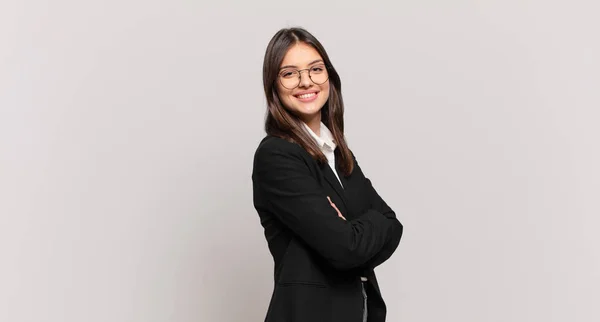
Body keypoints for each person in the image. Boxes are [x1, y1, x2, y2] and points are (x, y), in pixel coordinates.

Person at [252, 27, 403, 322]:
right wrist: (368, 225)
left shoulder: (337, 152)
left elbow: (393, 225)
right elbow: (345, 248)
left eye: (315, 69)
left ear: (330, 78)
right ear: (274, 85)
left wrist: (357, 229)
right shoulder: (277, 156)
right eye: (289, 73)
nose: (306, 81)